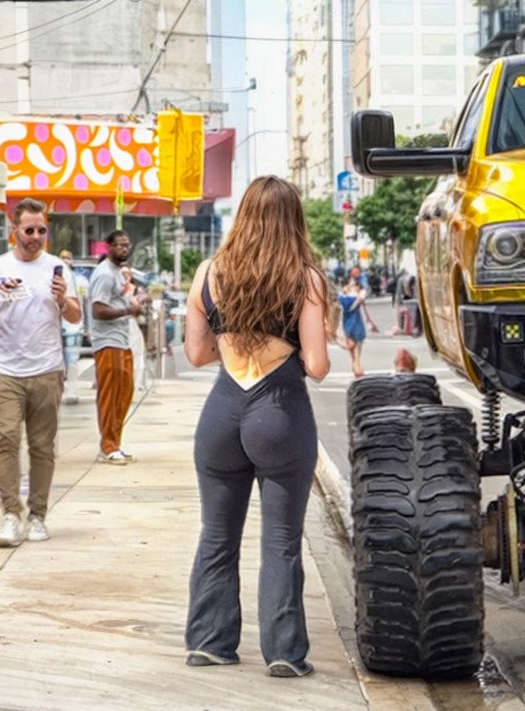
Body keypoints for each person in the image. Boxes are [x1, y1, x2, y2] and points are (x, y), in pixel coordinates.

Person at [183, 175, 331, 677]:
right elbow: (317, 365)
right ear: (294, 220)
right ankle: (285, 652)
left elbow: (197, 353)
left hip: (221, 414)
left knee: (217, 536)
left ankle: (209, 641)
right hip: (280, 413)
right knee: (281, 541)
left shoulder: (210, 272)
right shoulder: (305, 278)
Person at [0, 198, 81, 546]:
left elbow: (76, 318)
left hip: (47, 370)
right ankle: (10, 516)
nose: (35, 236)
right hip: (5, 370)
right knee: (5, 440)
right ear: (14, 229)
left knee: (42, 446)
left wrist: (63, 299)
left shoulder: (57, 270)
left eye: (41, 230)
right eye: (28, 230)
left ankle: (37, 516)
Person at [88, 232, 144, 465]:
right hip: (107, 340)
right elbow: (98, 310)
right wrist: (128, 311)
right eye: (120, 245)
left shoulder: (118, 274)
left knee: (125, 393)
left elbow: (122, 301)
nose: (125, 249)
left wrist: (134, 304)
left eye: (127, 245)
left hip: (121, 338)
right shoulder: (103, 275)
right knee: (110, 396)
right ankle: (108, 445)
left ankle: (115, 443)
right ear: (109, 247)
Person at [58, 248, 89, 403]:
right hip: (55, 327)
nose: (65, 260)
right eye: (62, 257)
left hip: (73, 326)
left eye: (68, 257)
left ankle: (72, 391)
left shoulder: (81, 281)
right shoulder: (52, 279)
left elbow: (86, 304)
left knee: (72, 360)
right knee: (58, 362)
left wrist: (88, 327)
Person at [339, 273, 367, 377]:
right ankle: (356, 364)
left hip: (354, 319)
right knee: (353, 343)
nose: (353, 284)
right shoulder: (345, 296)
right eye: (351, 282)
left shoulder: (347, 295)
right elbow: (348, 306)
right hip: (350, 320)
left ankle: (356, 364)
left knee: (357, 343)